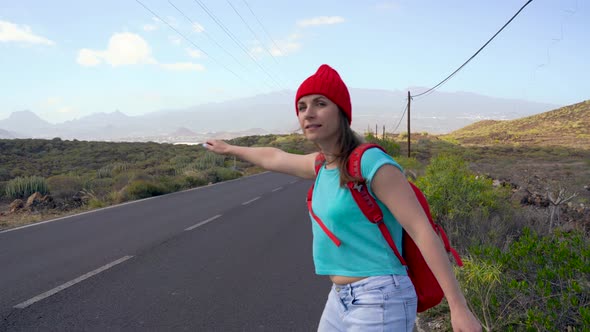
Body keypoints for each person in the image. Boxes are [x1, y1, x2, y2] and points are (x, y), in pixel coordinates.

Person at [204, 64, 481, 332]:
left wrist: (458, 307)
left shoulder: (371, 162)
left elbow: (422, 231)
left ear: (342, 113)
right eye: (302, 107)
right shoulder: (323, 165)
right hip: (339, 297)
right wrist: (229, 149)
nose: (308, 113)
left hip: (381, 297)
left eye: (320, 103)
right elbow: (274, 156)